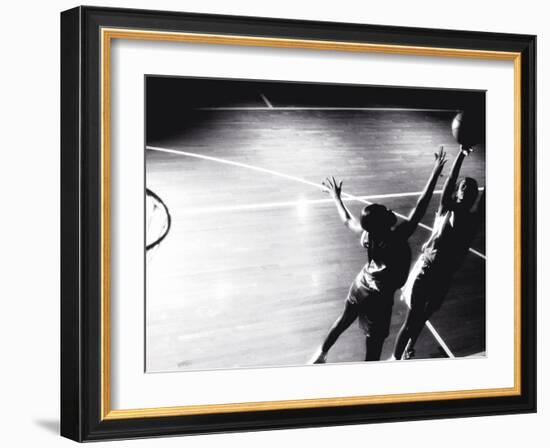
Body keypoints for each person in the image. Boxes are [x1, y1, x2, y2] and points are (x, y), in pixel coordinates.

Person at [310, 147, 448, 364]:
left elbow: (348, 220)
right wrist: (434, 174)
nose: (390, 211)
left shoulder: (368, 234)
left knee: (344, 320)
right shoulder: (398, 237)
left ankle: (320, 355)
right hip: (378, 300)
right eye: (386, 212)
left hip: (361, 284)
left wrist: (337, 197)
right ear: (384, 223)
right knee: (373, 350)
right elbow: (421, 206)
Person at [392, 145, 485, 360]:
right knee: (411, 320)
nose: (466, 188)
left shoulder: (473, 220)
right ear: (457, 191)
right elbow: (451, 179)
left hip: (444, 276)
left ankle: (409, 347)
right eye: (463, 185)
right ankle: (394, 362)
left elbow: (487, 200)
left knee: (424, 315)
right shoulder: (446, 207)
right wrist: (461, 155)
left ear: (473, 196)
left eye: (470, 188)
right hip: (427, 269)